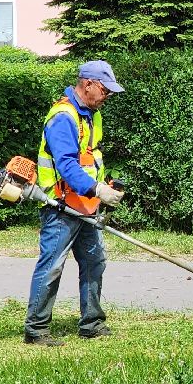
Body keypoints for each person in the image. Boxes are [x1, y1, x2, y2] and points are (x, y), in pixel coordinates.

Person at [24, 60, 126, 346]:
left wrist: (102, 187)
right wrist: (97, 189)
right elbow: (67, 165)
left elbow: (89, 158)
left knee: (94, 262)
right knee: (52, 266)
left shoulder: (91, 115)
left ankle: (92, 323)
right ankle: (36, 329)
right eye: (105, 91)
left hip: (85, 205)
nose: (108, 97)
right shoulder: (63, 117)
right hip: (61, 207)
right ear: (88, 84)